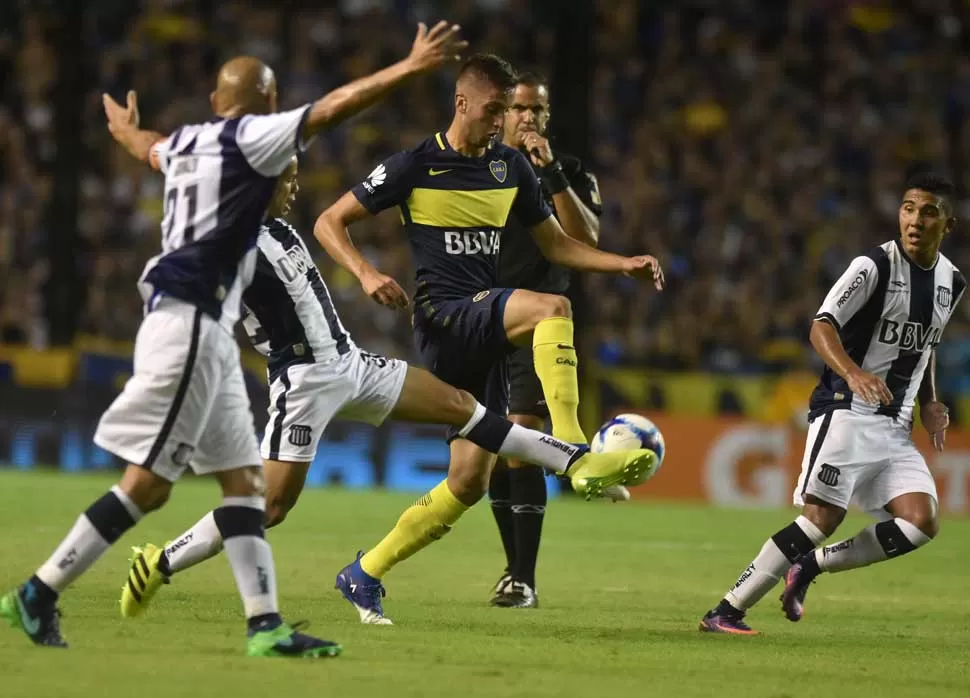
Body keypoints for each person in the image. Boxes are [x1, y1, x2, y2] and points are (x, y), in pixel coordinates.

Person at [0, 21, 467, 656]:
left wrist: (121, 129)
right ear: (267, 107)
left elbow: (148, 148)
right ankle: (39, 592)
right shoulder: (255, 137)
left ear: (215, 102)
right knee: (147, 486)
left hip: (205, 329)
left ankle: (264, 626)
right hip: (190, 321)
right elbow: (334, 108)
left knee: (246, 485)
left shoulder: (187, 142)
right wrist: (409, 69)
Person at [118, 160, 657, 622]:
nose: (295, 187)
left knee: (462, 408)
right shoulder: (231, 247)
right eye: (287, 179)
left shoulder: (279, 227)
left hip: (350, 363)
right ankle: (159, 561)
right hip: (302, 383)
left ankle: (576, 462)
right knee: (272, 505)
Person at [314, 54, 665, 625]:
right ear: (462, 104)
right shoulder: (415, 163)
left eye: (509, 109)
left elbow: (555, 245)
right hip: (443, 317)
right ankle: (577, 451)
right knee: (554, 306)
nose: (503, 119)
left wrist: (618, 263)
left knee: (468, 481)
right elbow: (330, 220)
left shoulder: (510, 168)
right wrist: (366, 272)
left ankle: (365, 572)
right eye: (495, 109)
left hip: (483, 328)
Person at [699, 172, 965, 635]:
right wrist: (854, 372)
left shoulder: (952, 281)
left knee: (920, 522)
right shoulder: (874, 266)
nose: (915, 220)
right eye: (908, 208)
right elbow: (821, 325)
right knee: (822, 516)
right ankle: (726, 610)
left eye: (928, 211)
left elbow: (925, 347)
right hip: (847, 409)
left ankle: (811, 566)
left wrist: (931, 402)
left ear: (949, 224)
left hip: (896, 426)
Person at [488, 71, 615, 610]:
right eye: (520, 109)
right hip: (480, 316)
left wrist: (552, 173)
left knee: (524, 438)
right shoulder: (482, 168)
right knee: (490, 452)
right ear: (501, 113)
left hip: (541, 321)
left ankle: (524, 579)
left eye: (538, 110)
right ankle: (512, 570)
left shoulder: (573, 174)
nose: (529, 119)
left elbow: (586, 238)